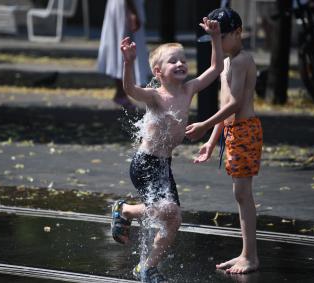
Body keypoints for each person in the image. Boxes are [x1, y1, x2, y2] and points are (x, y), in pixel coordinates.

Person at [110, 17, 223, 282]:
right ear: (159, 72)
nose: (181, 63)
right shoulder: (156, 96)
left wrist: (215, 37)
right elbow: (129, 89)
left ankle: (147, 267)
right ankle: (124, 210)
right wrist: (128, 62)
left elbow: (216, 67)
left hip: (163, 165)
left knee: (173, 220)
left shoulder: (189, 89)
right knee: (168, 211)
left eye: (183, 59)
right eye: (173, 61)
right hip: (145, 163)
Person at [185, 7, 263, 274]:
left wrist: (205, 125)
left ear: (238, 32)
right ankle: (246, 253)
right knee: (240, 194)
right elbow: (224, 106)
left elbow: (235, 104)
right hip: (233, 132)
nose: (216, 46)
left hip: (245, 131)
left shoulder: (242, 60)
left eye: (220, 39)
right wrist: (211, 140)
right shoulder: (227, 63)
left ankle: (250, 256)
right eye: (212, 41)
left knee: (243, 194)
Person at [97, 0, 150, 109]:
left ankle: (122, 92)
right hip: (125, 7)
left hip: (124, 6)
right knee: (124, 47)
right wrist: (132, 11)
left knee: (123, 47)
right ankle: (122, 92)